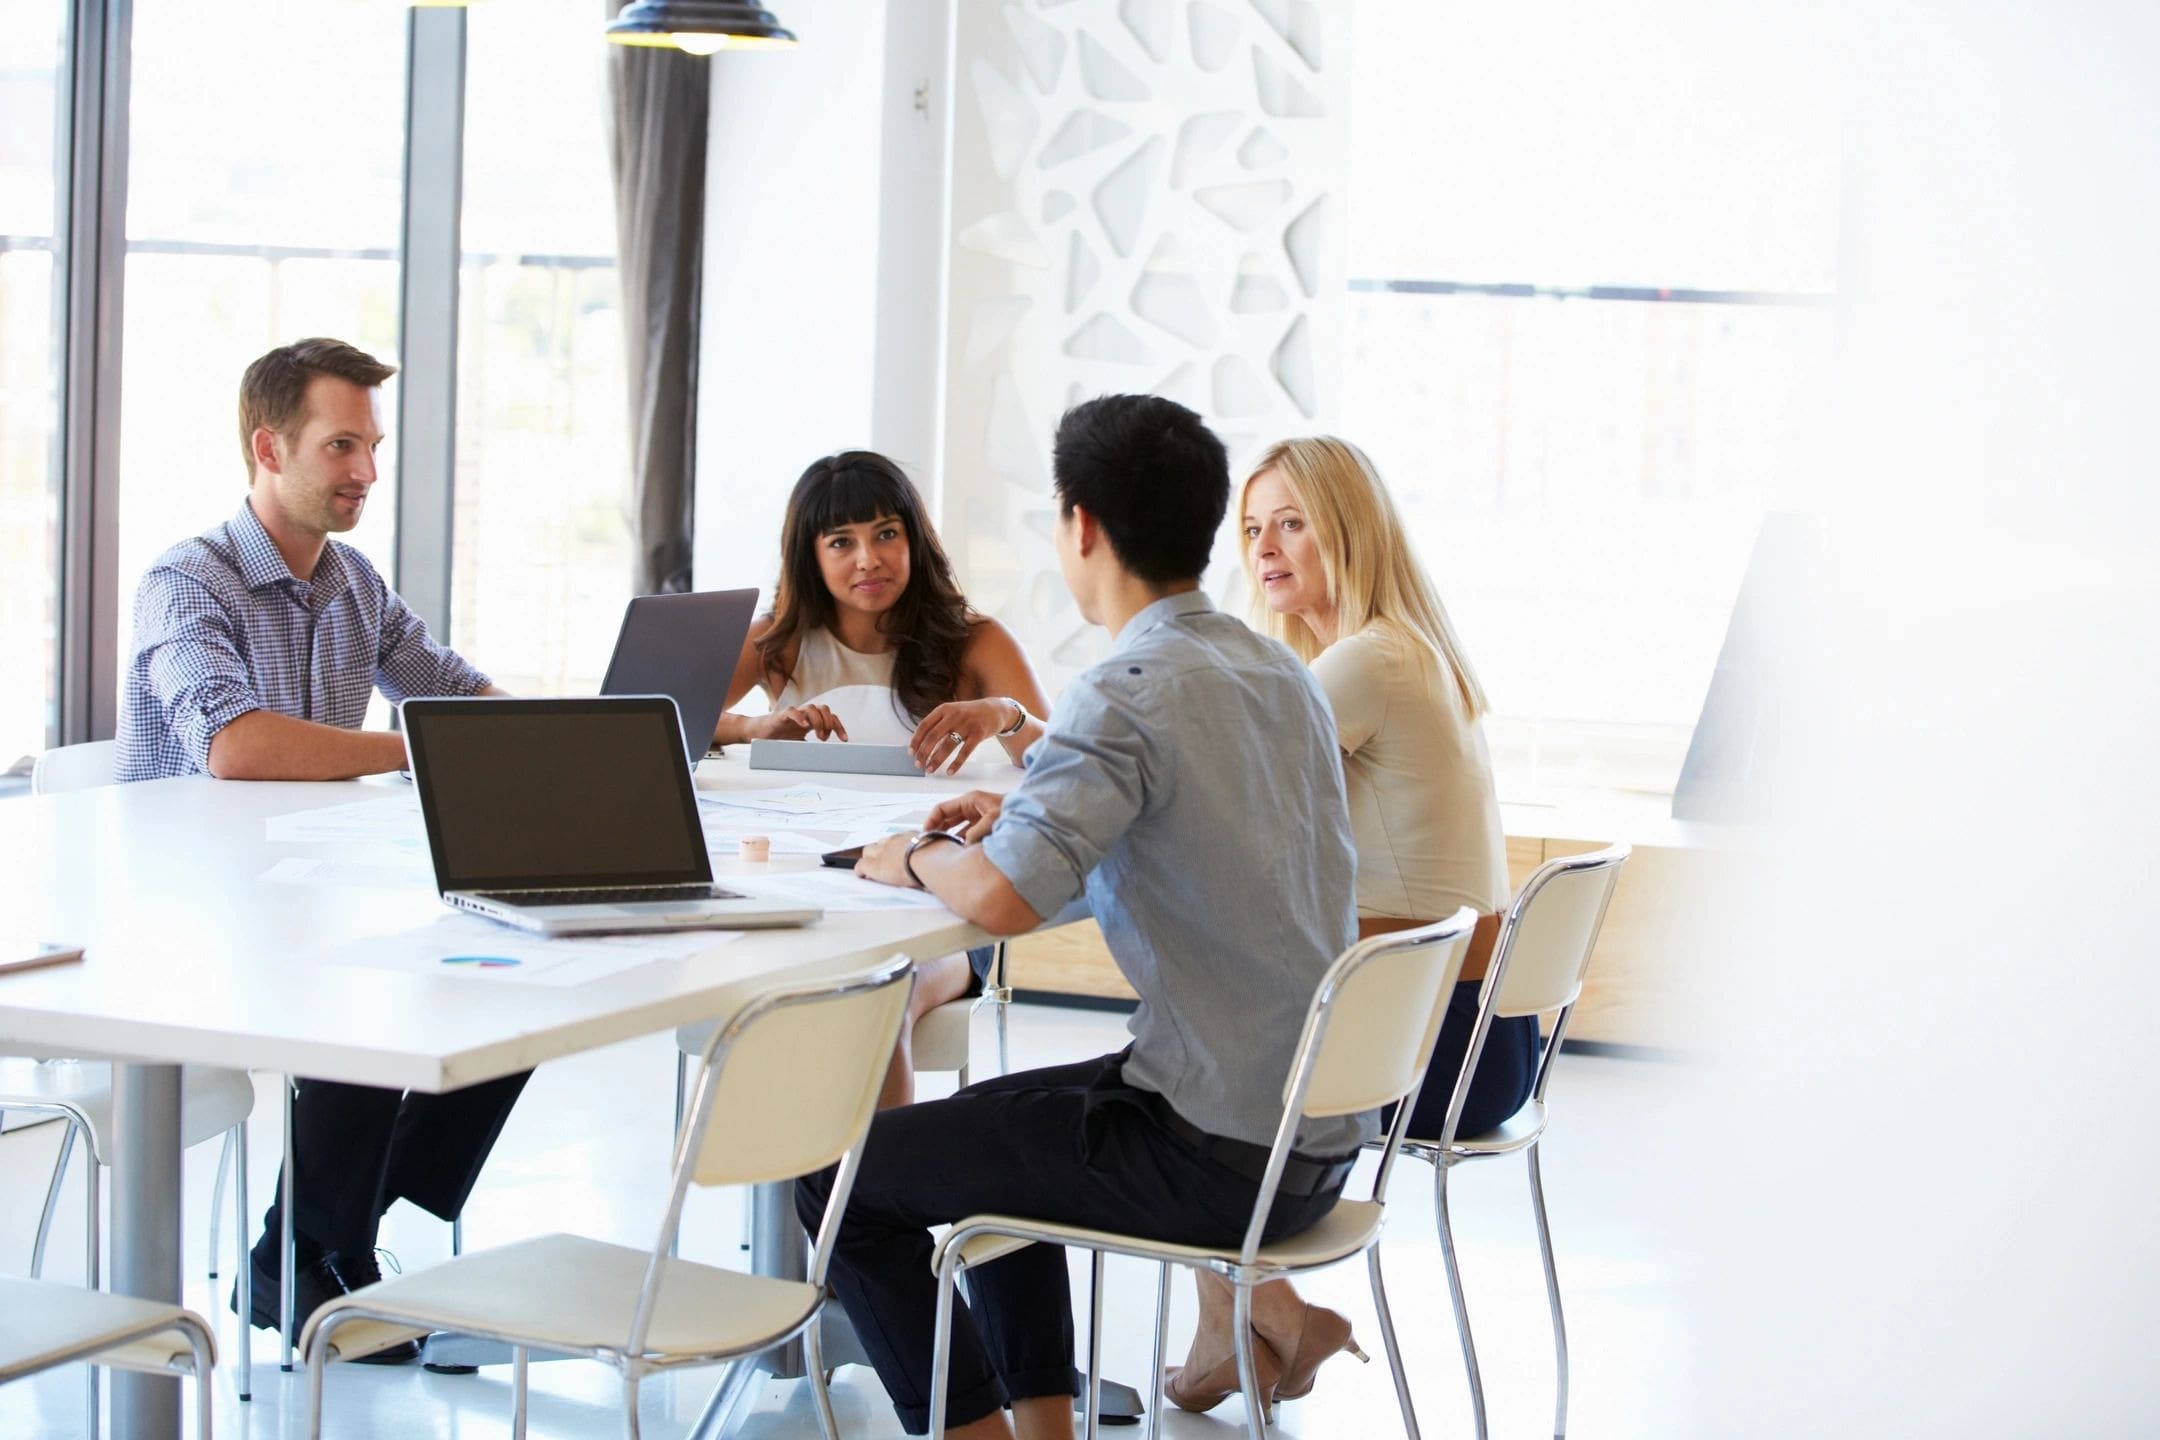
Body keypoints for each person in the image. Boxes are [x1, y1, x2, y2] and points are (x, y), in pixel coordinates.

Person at [795, 394, 1364, 1440]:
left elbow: (1003, 900)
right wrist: (1020, 802)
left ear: (1083, 525)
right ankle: (1043, 1426)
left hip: (1214, 1151)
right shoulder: (1276, 669)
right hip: (1312, 1138)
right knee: (1001, 1136)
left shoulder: (1130, 685)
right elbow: (1187, 806)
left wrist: (912, 854)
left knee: (840, 1189)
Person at [114, 337, 527, 1361]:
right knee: (380, 992)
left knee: (515, 973)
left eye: (371, 447)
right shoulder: (186, 580)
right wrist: (424, 751)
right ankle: (315, 1260)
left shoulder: (352, 583)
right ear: (269, 445)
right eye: (342, 445)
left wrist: (557, 740)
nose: (365, 473)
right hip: (189, 915)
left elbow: (462, 694)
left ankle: (307, 1249)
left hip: (309, 899)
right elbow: (237, 744)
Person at [1163, 434, 1539, 1410]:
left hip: (1438, 1054)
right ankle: (1252, 1320)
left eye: (1292, 522)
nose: (1266, 547)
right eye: (1252, 528)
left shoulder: (1369, 664)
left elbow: (1202, 788)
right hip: (1487, 1041)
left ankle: (1261, 1319)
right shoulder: (1402, 651)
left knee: (1184, 1058)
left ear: (1350, 529)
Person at [714, 450, 1051, 1106]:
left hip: (942, 902)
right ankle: (827, 1198)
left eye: (886, 535)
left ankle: (870, 1202)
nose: (867, 559)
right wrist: (753, 729)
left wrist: (1004, 715)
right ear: (810, 555)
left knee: (875, 1000)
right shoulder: (775, 643)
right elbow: (679, 719)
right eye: (842, 541)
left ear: (914, 541)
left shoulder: (975, 642)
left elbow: (1060, 765)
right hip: (808, 889)